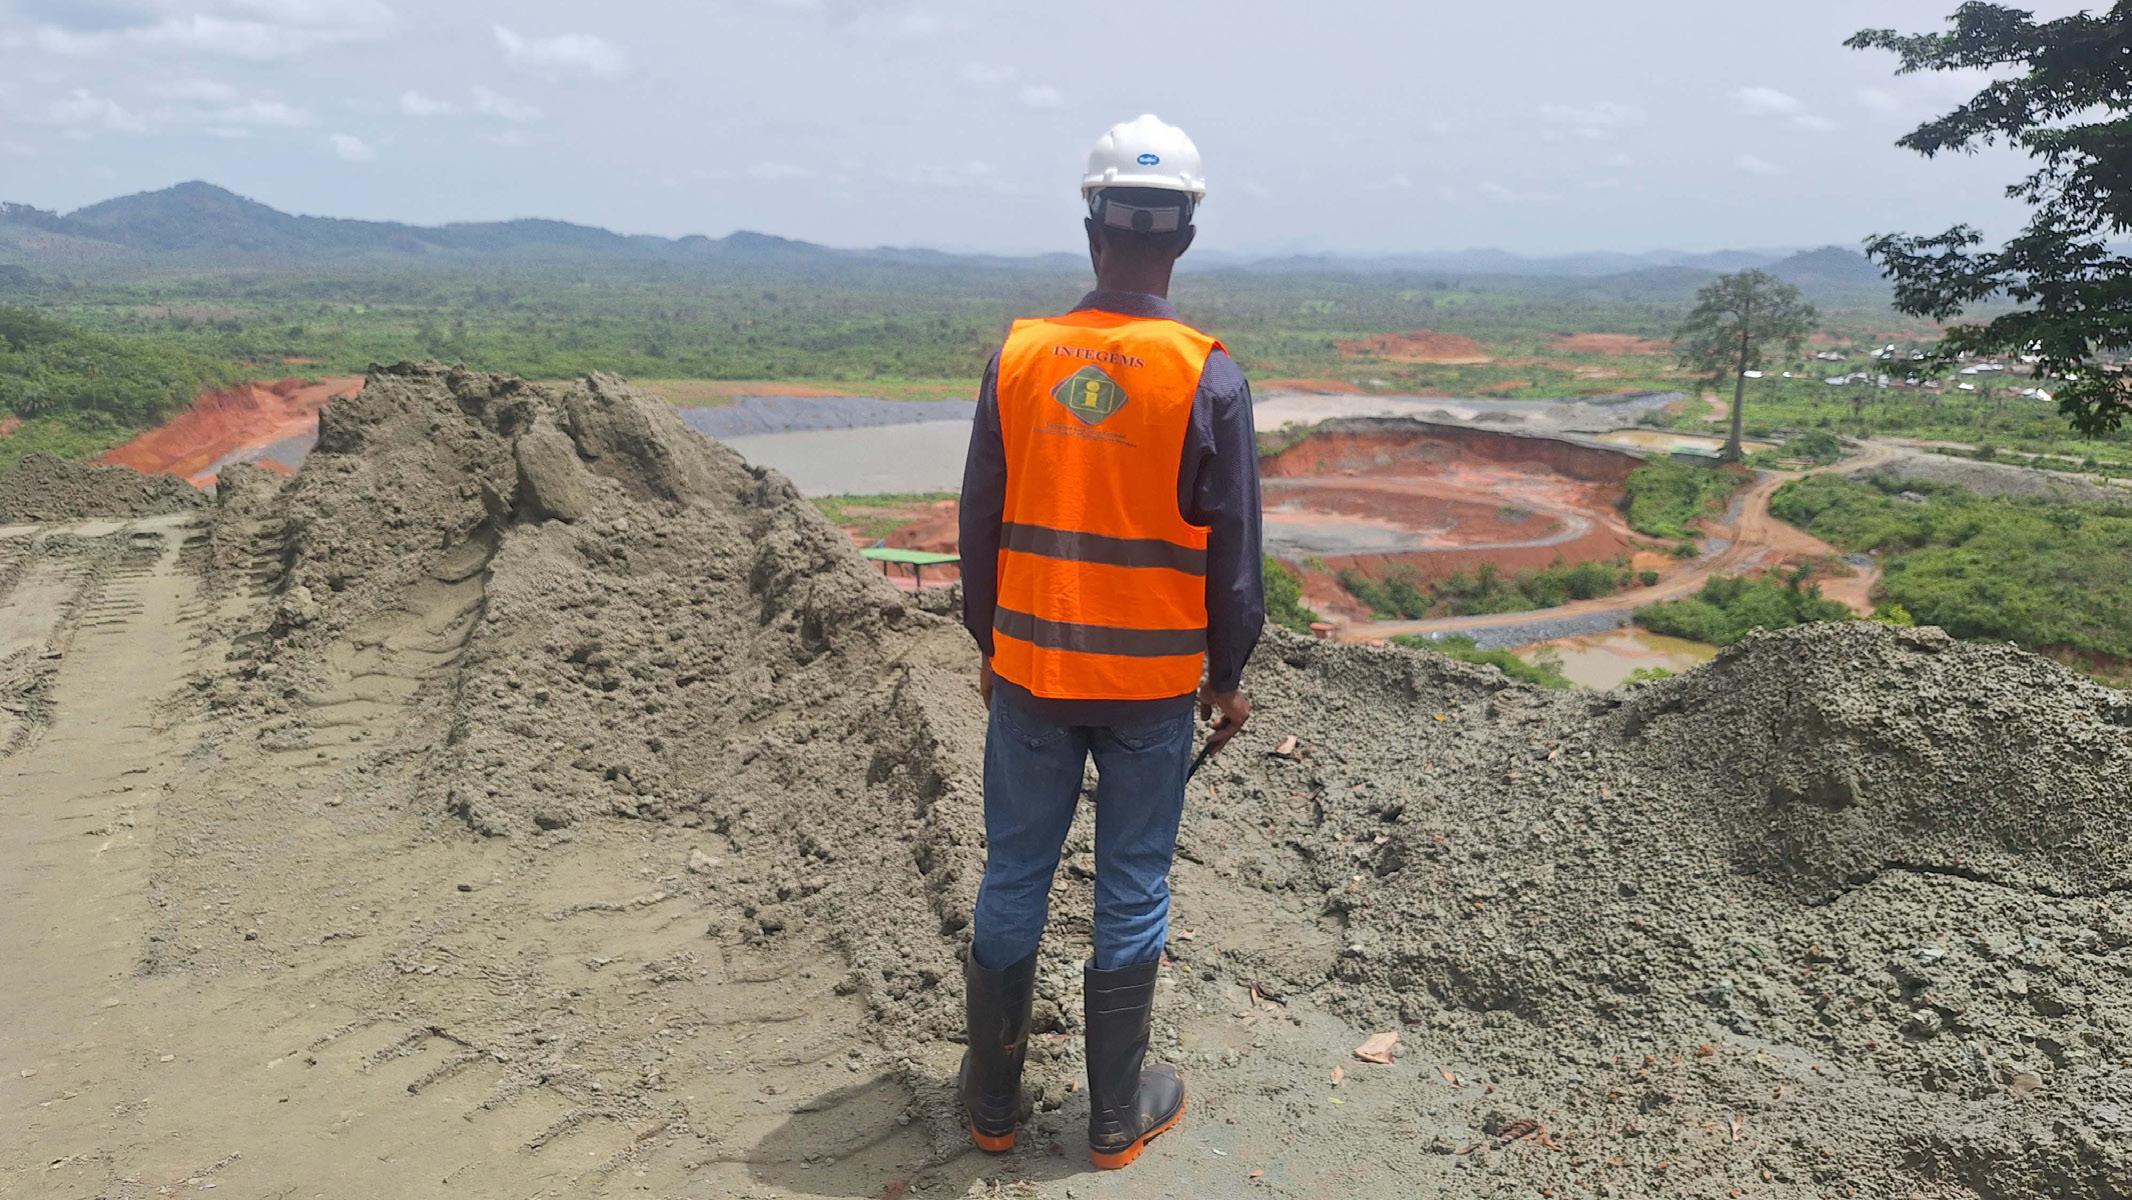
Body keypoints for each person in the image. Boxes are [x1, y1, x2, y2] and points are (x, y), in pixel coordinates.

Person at [954, 113, 1265, 1170]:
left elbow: (980, 523)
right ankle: (1114, 1118)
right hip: (1148, 689)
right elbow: (1234, 553)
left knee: (1014, 872)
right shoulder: (1206, 376)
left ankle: (992, 1107)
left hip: (1032, 674)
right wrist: (1227, 676)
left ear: (1091, 224)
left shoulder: (1020, 357)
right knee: (1131, 884)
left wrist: (991, 646)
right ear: (1186, 237)